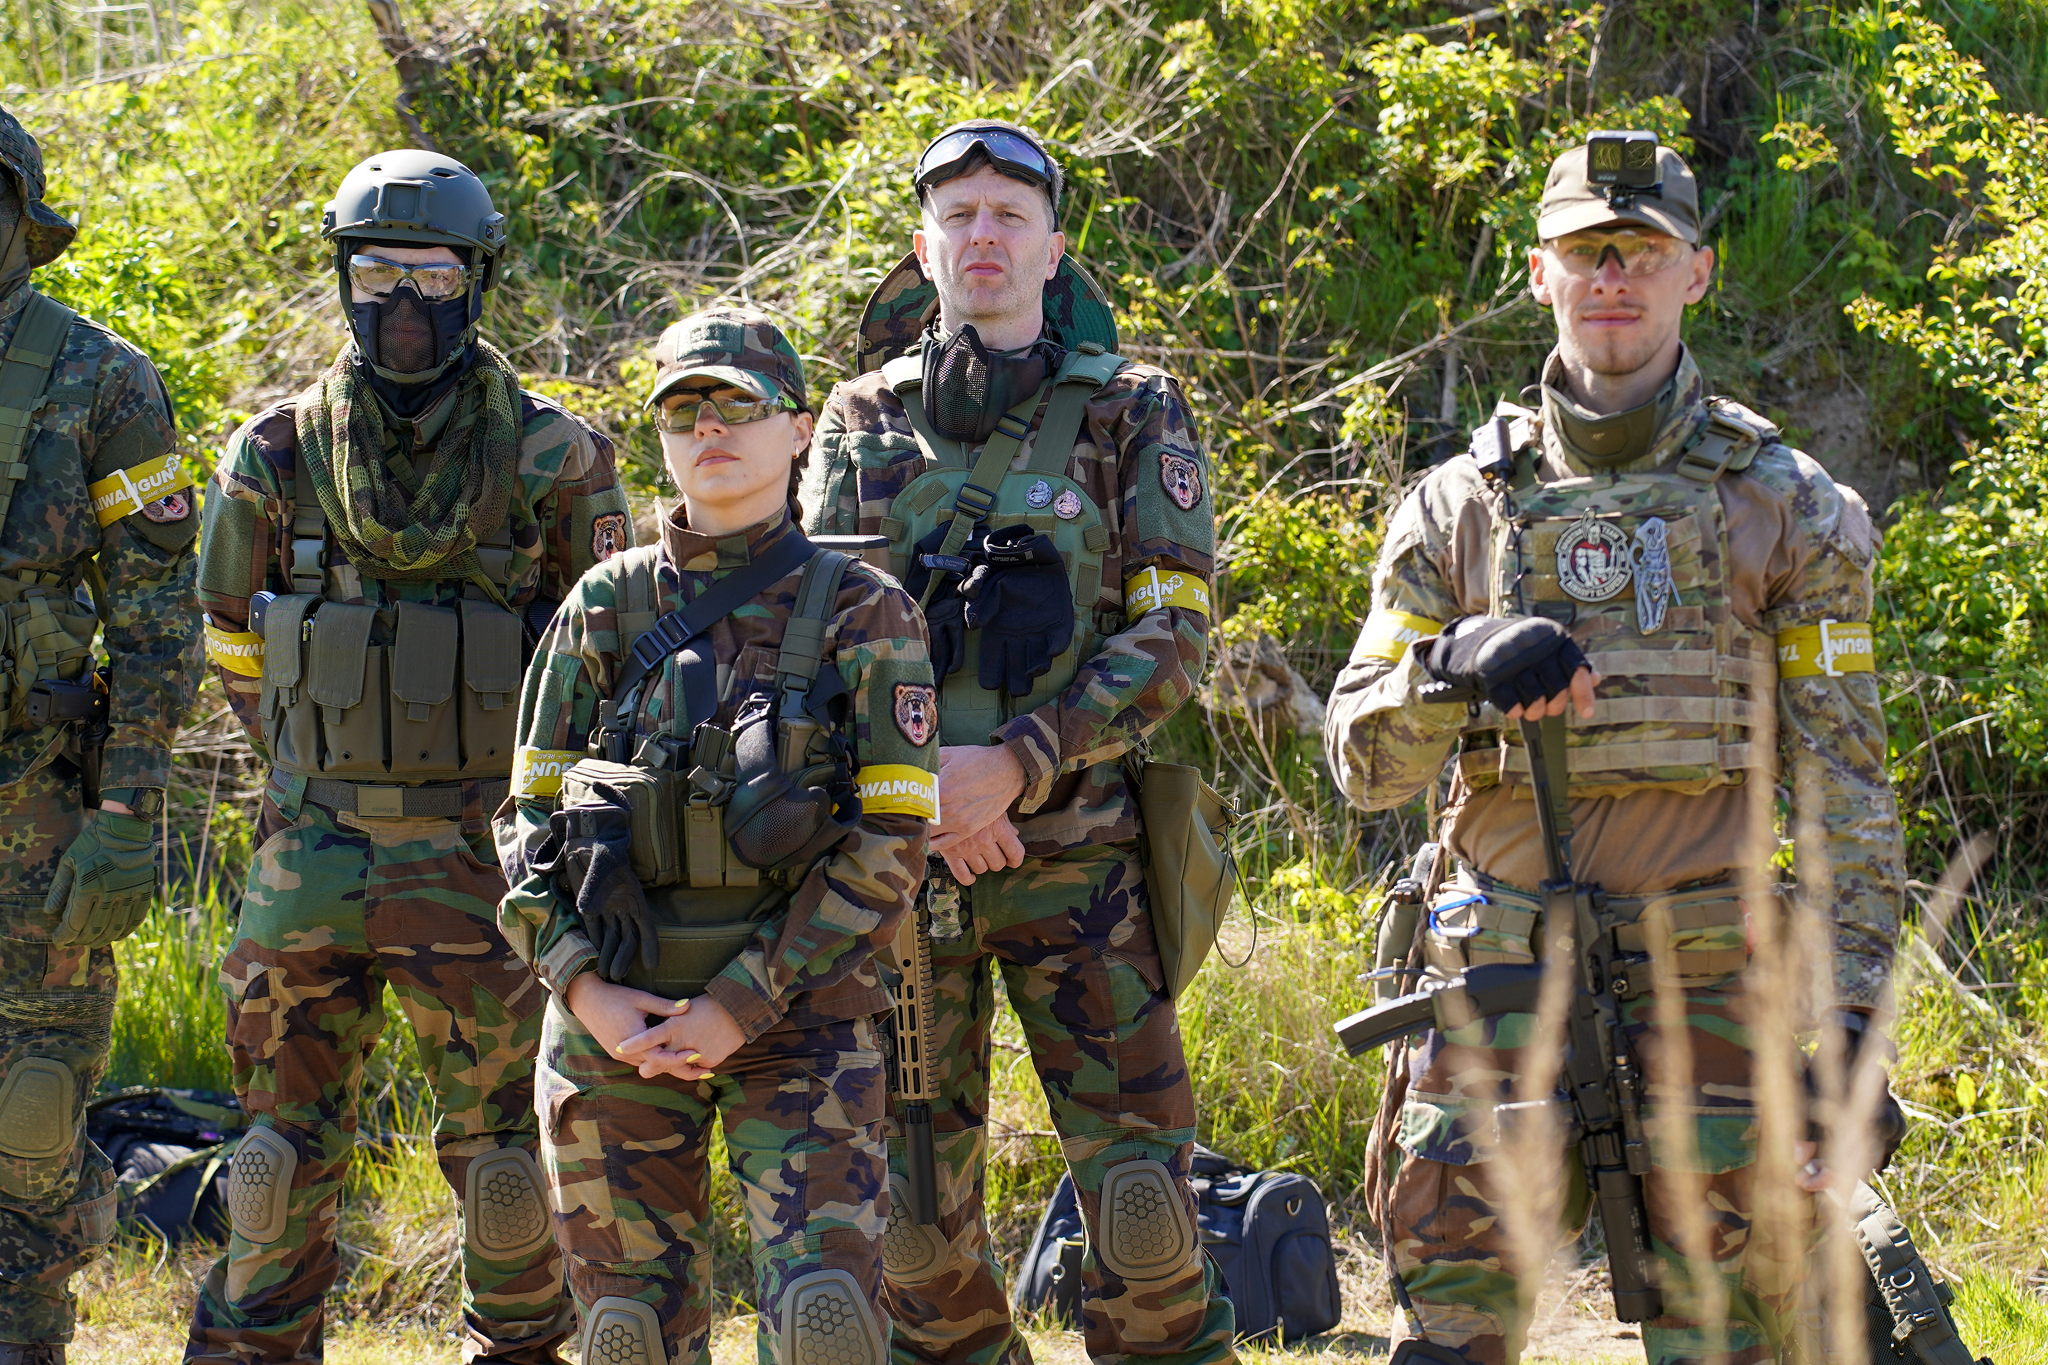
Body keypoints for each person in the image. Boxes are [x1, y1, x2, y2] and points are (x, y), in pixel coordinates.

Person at [1323, 135, 1905, 1365]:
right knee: (1446, 1341)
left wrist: (1849, 1027)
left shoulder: (1787, 506)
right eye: (1588, 253)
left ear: (1696, 271)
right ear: (1539, 273)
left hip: (1711, 995)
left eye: (1641, 253)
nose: (1613, 280)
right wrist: (1449, 666)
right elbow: (1361, 762)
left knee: (1735, 1342)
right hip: (1494, 981)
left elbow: (1844, 784)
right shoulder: (1452, 509)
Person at [186, 150, 631, 1363]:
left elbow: (603, 658)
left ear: (475, 280)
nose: (402, 302)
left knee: (501, 1164)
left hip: (486, 861)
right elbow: (232, 638)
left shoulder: (554, 458)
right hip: (310, 856)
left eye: (430, 274)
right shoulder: (274, 452)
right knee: (276, 1152)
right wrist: (310, 760)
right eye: (376, 271)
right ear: (342, 276)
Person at [802, 120, 1234, 1365]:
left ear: (1052, 247)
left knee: (1143, 1212)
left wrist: (1016, 766)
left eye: (1006, 215)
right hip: (904, 872)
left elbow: (1171, 636)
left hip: (1083, 865)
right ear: (925, 247)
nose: (981, 236)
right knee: (914, 1229)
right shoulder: (856, 418)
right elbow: (816, 637)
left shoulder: (1131, 408)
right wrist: (929, 792)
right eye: (957, 217)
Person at [494, 308, 936, 1365]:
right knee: (625, 1334)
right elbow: (525, 824)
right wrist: (585, 992)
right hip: (617, 1026)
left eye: (738, 405)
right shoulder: (602, 606)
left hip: (797, 1022)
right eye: (683, 409)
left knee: (826, 1324)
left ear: (795, 430)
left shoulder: (863, 613)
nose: (710, 429)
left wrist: (743, 1002)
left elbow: (891, 846)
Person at [0, 103, 198, 1365]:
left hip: (43, 817)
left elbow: (158, 614)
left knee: (29, 1116)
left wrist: (127, 813)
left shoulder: (99, 377)